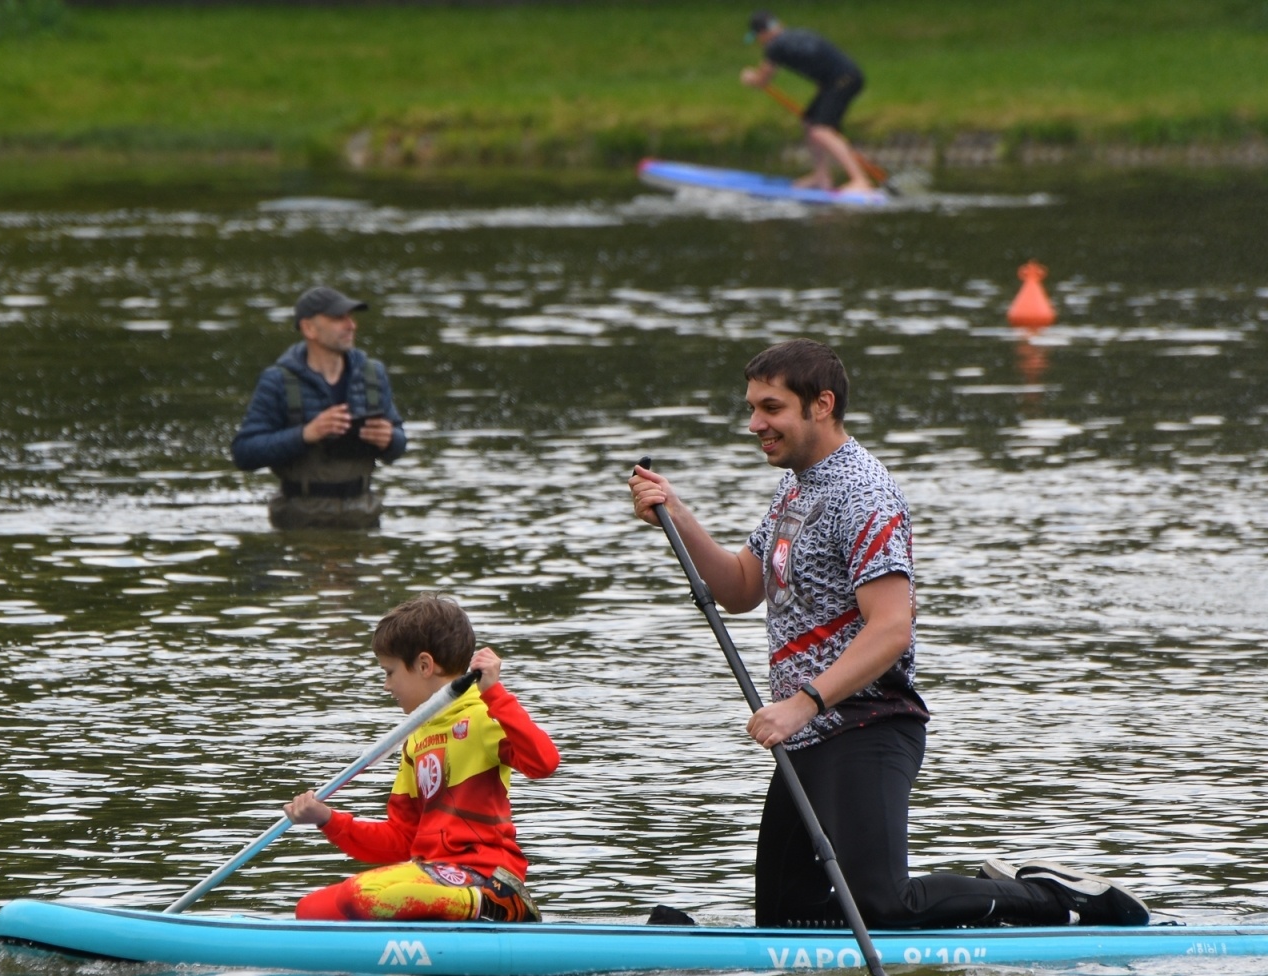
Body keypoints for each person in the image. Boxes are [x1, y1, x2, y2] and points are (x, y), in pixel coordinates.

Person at [627, 338, 1149, 929]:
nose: (754, 424)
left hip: (867, 725)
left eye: (770, 409)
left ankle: (1055, 899)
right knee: (786, 917)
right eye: (752, 408)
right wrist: (677, 512)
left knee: (881, 904)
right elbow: (743, 586)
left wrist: (802, 704)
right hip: (807, 737)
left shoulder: (865, 493)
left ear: (820, 404)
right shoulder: (796, 487)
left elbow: (892, 628)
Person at [283, 594, 560, 922]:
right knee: (312, 910)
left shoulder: (484, 717)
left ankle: (500, 905)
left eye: (389, 672)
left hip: (486, 875)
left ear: (425, 666)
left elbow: (545, 762)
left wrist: (495, 694)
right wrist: (327, 818)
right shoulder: (417, 739)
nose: (386, 685)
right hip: (433, 873)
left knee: (365, 896)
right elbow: (401, 840)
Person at [231, 286, 406, 530]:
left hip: (363, 519)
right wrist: (306, 434)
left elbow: (399, 445)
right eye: (338, 318)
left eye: (351, 317)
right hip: (299, 523)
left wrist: (389, 439)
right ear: (308, 328)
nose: (351, 325)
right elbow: (244, 453)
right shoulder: (278, 380)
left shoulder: (373, 374)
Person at [741, 10, 875, 193]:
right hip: (838, 81)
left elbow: (762, 80)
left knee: (822, 131)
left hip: (843, 80)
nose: (759, 41)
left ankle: (861, 182)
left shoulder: (775, 46)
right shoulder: (796, 35)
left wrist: (750, 78)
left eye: (758, 37)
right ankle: (821, 178)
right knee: (809, 122)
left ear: (763, 33)